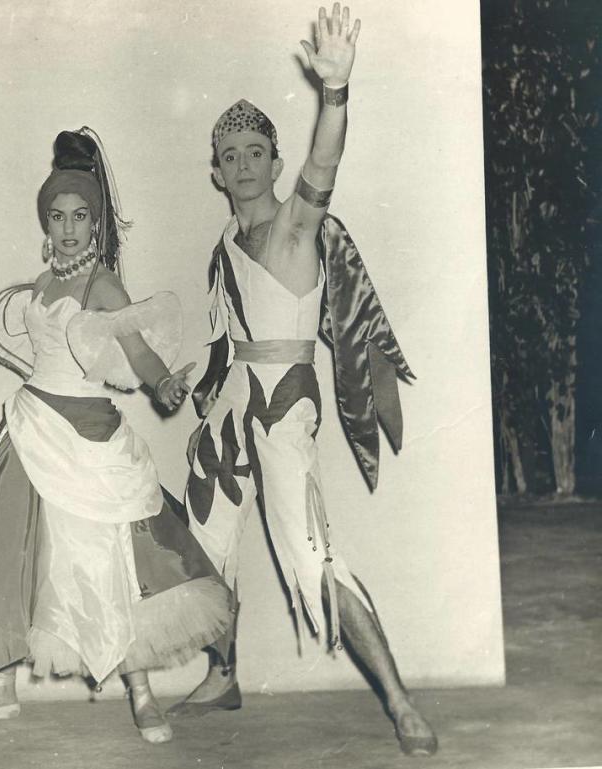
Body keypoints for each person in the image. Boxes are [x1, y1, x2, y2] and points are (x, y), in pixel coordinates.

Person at [165, 5, 439, 757]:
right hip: (230, 409)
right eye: (231, 153)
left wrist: (336, 92)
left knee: (313, 557)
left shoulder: (294, 226)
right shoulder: (225, 238)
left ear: (274, 163)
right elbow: (230, 332)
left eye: (257, 151)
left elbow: (326, 166)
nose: (245, 163)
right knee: (202, 543)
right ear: (216, 170)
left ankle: (402, 702)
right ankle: (222, 675)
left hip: (284, 407)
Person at [0, 128, 232, 745]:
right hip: (32, 426)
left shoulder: (101, 284)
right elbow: (23, 354)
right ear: (47, 222)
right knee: (3, 551)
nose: (68, 228)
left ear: (95, 223)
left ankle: (141, 693)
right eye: (58, 216)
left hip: (88, 434)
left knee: (113, 561)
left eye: (80, 216)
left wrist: (164, 385)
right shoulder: (41, 285)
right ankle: (1, 686)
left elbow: (135, 349)